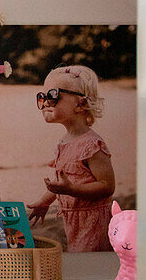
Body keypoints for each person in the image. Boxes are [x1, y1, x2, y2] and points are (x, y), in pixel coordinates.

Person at [28, 65, 115, 251]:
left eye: (53, 96)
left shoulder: (92, 145)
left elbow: (107, 186)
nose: (46, 103)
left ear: (81, 104)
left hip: (93, 222)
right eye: (42, 97)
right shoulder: (63, 143)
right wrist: (45, 200)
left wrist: (72, 189)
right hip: (73, 221)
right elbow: (64, 183)